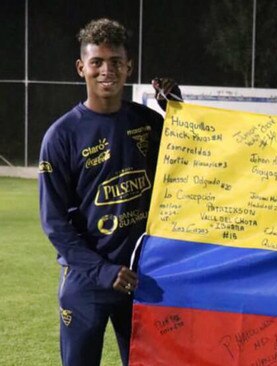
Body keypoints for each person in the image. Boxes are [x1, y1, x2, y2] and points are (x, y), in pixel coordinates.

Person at [38, 18, 181, 366]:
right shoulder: (61, 136)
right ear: (81, 67)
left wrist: (179, 113)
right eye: (97, 62)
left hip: (143, 279)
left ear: (128, 66)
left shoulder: (149, 123)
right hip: (87, 282)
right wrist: (103, 270)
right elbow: (55, 223)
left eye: (115, 61)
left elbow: (191, 168)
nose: (107, 70)